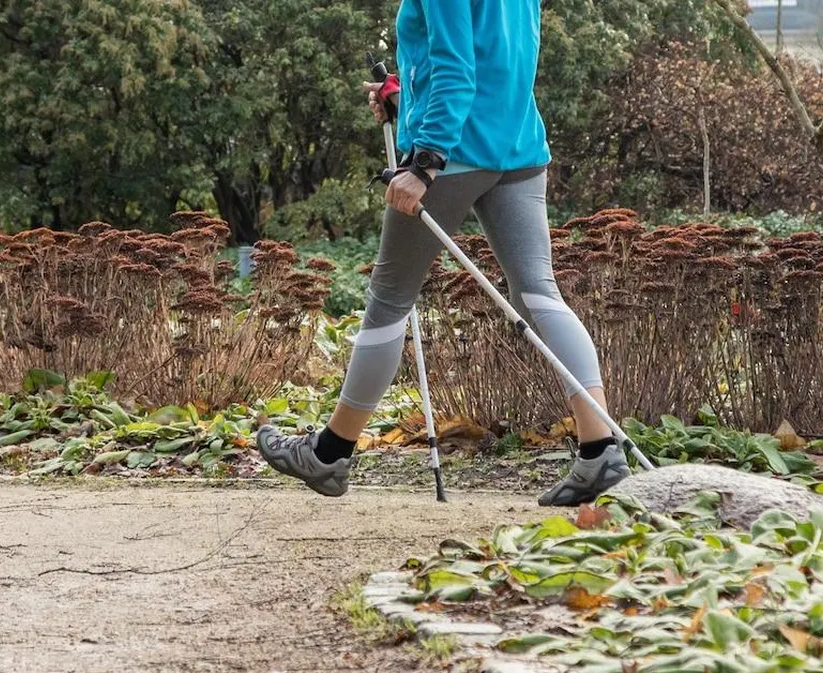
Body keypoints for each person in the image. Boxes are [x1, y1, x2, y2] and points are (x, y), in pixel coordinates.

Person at [256, 0, 630, 507]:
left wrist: (425, 161)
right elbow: (497, 53)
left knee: (389, 299)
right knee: (539, 292)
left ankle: (329, 453)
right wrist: (403, 97)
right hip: (517, 146)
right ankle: (600, 449)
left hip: (453, 154)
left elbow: (457, 68)